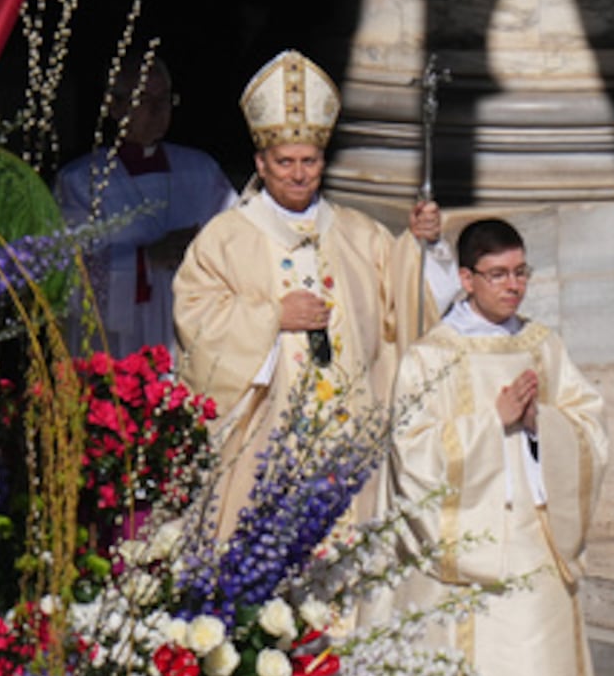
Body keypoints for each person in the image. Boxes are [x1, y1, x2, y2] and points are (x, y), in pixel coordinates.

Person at [368, 218, 614, 676]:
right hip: (461, 553)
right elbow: (413, 454)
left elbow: (590, 425)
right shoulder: (432, 355)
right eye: (498, 274)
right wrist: (494, 422)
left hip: (537, 542)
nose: (512, 286)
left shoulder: (544, 345)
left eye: (521, 273)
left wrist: (546, 422)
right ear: (465, 279)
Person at [172, 49, 462, 537]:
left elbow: (408, 308)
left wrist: (421, 245)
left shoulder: (359, 234)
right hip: (269, 433)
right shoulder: (224, 238)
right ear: (261, 164)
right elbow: (195, 319)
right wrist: (271, 318)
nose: (298, 173)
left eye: (309, 161)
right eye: (285, 162)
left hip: (348, 434)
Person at [54, 53, 238, 358]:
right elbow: (66, 274)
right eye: (144, 99)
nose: (157, 110)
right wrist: (145, 260)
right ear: (114, 107)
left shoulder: (200, 171)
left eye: (164, 99)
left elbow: (239, 242)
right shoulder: (81, 181)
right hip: (117, 347)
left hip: (189, 333)